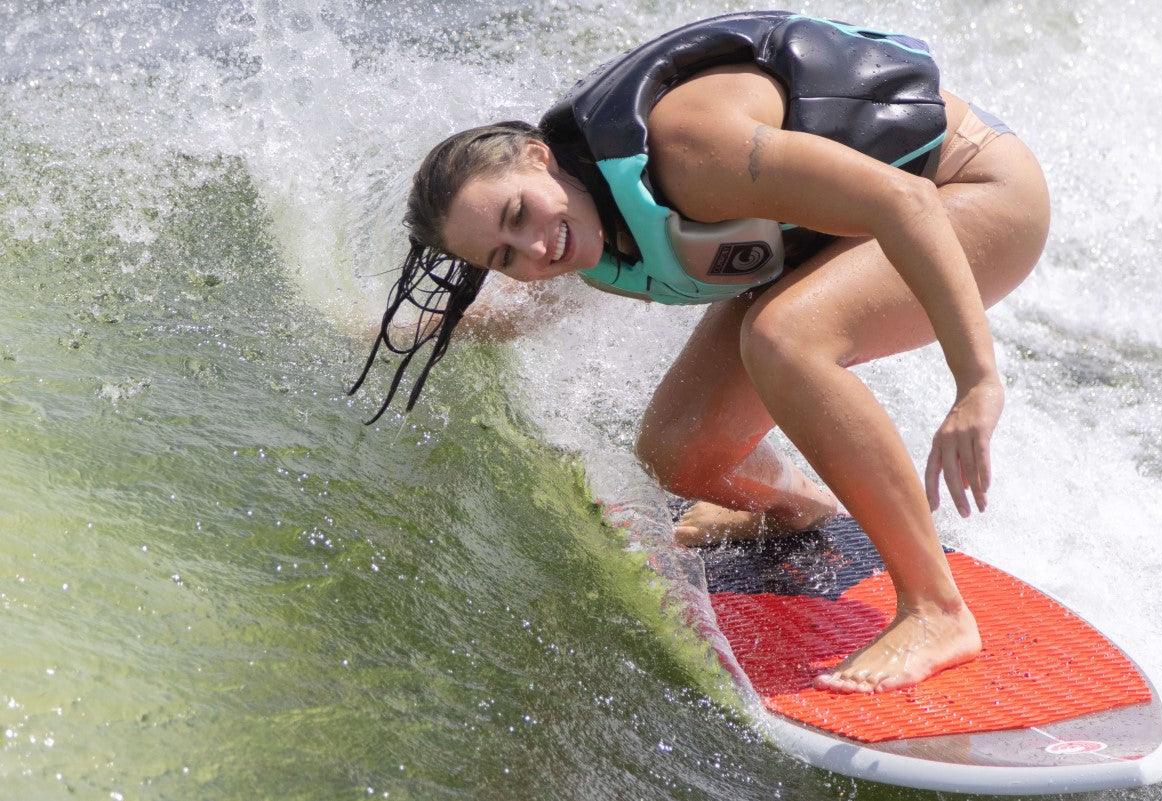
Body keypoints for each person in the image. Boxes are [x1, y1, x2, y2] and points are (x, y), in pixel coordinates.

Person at [352, 11, 1050, 693]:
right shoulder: (581, 223)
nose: (536, 248)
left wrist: (977, 382)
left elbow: (906, 202)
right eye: (505, 255)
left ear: (539, 156)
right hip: (853, 231)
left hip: (971, 194)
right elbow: (537, 303)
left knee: (783, 335)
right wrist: (401, 332)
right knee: (678, 450)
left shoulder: (687, 151)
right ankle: (794, 506)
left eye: (517, 214)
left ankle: (936, 607)